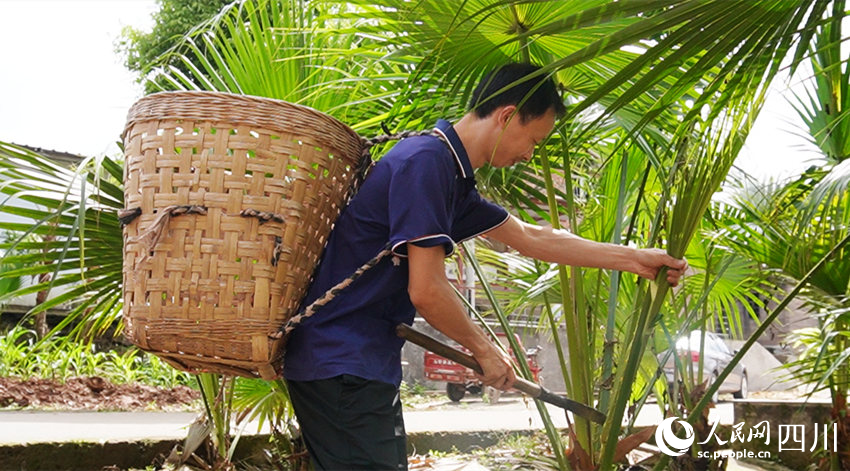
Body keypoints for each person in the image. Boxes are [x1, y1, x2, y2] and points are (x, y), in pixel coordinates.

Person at [283, 62, 688, 470]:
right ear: (507, 115)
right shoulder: (426, 163)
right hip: (342, 361)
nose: (529, 155)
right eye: (533, 140)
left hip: (356, 362)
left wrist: (635, 259)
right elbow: (426, 289)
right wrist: (485, 350)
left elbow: (533, 238)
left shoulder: (451, 177)